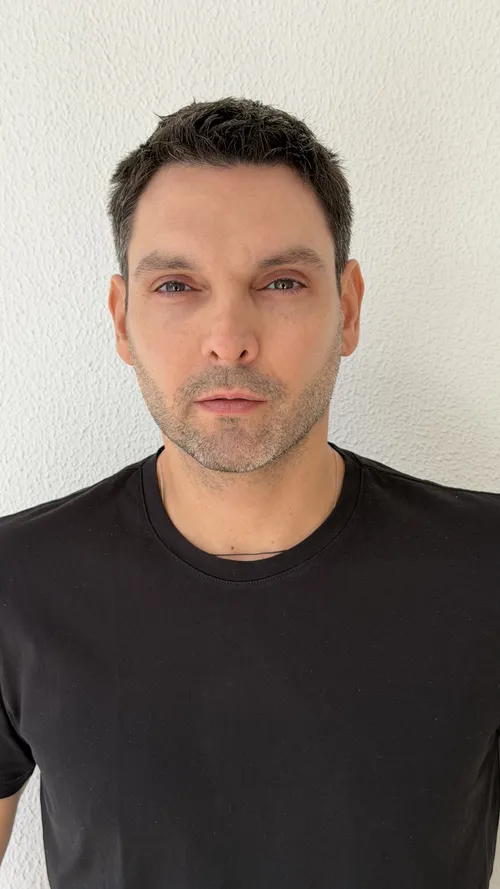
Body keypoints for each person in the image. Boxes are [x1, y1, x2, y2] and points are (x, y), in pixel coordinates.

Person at [1, 96, 499, 889]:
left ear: (349, 308)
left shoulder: (485, 568)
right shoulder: (17, 581)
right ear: (121, 318)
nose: (229, 338)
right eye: (176, 285)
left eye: (281, 282)